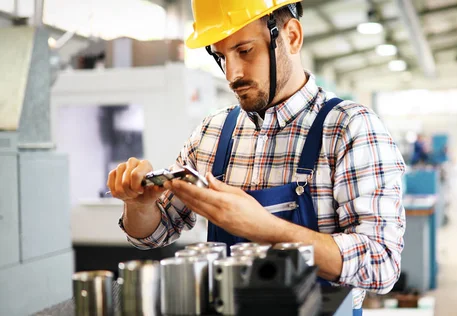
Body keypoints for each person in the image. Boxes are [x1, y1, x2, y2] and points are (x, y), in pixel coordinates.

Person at [106, 1, 406, 314]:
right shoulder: (212, 133)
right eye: (222, 56)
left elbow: (381, 264)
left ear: (291, 37)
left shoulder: (350, 128)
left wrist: (268, 229)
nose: (232, 74)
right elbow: (153, 235)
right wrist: (139, 205)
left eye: (245, 50)